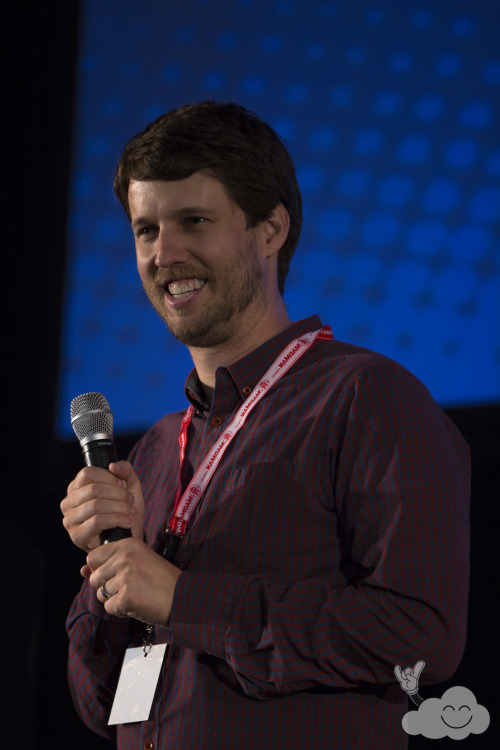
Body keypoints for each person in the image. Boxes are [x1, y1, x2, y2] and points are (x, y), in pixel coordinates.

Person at [61, 101, 470, 750]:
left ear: (271, 229)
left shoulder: (368, 397)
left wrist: (185, 601)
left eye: (194, 221)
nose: (164, 253)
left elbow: (419, 638)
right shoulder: (158, 450)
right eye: (146, 230)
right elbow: (100, 703)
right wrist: (110, 567)